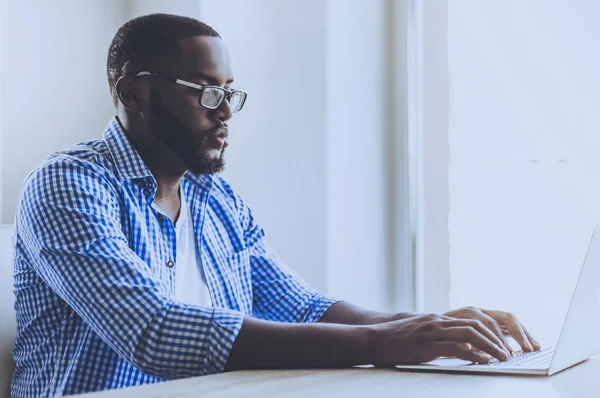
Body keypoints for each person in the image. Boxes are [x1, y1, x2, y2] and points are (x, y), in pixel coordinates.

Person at [10, 13, 541, 397]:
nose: (225, 114)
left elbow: (304, 308)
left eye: (230, 93)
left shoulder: (216, 199)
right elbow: (154, 332)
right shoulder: (68, 186)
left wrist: (427, 328)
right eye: (206, 92)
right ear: (134, 94)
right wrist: (383, 341)